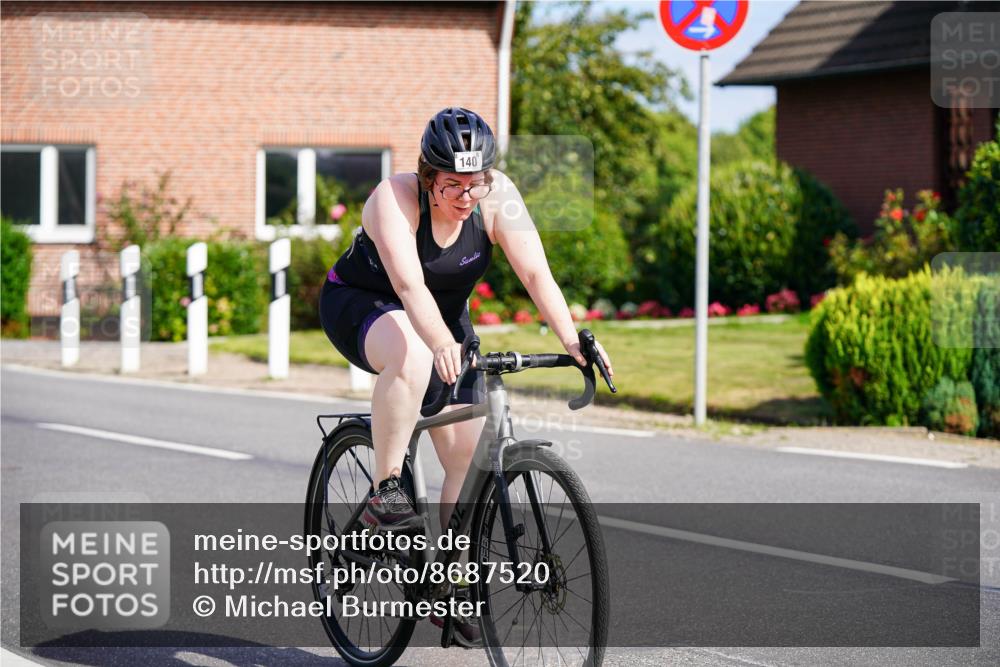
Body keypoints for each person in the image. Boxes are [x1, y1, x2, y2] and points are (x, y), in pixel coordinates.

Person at [320, 106, 613, 533]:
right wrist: (440, 343)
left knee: (467, 457)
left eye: (475, 185)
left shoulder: (499, 198)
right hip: (363, 303)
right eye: (452, 185)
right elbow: (409, 288)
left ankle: (451, 579)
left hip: (444, 315)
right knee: (413, 355)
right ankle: (386, 493)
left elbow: (534, 273)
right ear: (428, 178)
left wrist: (573, 341)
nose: (465, 197)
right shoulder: (395, 198)